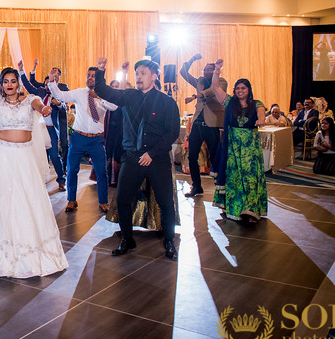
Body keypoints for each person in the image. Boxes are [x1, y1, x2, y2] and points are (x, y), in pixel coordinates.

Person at [0, 49, 68, 278]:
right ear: (1, 84)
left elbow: (40, 106)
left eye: (13, 81)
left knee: (26, 200)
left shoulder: (30, 100)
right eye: (5, 81)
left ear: (19, 83)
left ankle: (29, 251)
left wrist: (45, 109)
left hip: (24, 157)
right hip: (2, 156)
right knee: (1, 201)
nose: (9, 84)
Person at [94, 58, 180, 259]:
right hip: (132, 157)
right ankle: (127, 238)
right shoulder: (129, 96)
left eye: (143, 73)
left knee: (166, 202)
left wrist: (152, 153)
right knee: (123, 199)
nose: (139, 77)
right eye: (137, 73)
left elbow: (172, 132)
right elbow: (103, 90)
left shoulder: (167, 102)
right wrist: (101, 70)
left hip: (156, 158)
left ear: (154, 76)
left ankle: (169, 241)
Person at [48, 66, 118, 213]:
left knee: (101, 172)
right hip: (78, 138)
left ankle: (103, 202)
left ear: (98, 78)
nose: (90, 78)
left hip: (96, 141)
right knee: (72, 170)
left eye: (93, 76)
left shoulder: (105, 95)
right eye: (88, 75)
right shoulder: (80, 92)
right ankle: (71, 200)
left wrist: (99, 97)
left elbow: (114, 107)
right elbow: (60, 95)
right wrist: (52, 81)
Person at [209, 60, 267, 224]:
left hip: (250, 150)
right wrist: (217, 70)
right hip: (233, 148)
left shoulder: (256, 103)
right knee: (234, 178)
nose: (240, 90)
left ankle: (250, 211)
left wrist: (261, 120)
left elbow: (261, 112)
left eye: (243, 88)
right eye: (238, 88)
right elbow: (215, 87)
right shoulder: (229, 102)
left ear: (249, 90)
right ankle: (234, 208)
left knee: (250, 179)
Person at [180, 54, 225, 197]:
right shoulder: (199, 81)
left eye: (210, 70)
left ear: (215, 71)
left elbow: (212, 91)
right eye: (205, 70)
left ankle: (220, 185)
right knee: (192, 157)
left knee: (215, 157)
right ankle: (196, 186)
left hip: (212, 124)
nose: (207, 72)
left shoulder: (222, 82)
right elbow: (183, 72)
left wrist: (195, 96)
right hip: (198, 124)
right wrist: (192, 59)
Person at [18, 61, 65, 191]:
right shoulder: (39, 91)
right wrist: (21, 70)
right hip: (38, 131)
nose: (47, 86)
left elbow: (64, 109)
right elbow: (27, 85)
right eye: (45, 84)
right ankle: (38, 180)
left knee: (55, 156)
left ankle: (61, 180)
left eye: (49, 84)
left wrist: (59, 104)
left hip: (51, 131)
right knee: (38, 155)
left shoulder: (58, 95)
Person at [30, 59, 69, 174]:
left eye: (56, 72)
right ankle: (44, 171)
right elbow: (31, 82)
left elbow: (66, 102)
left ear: (59, 77)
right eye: (52, 72)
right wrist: (34, 67)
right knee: (40, 152)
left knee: (63, 146)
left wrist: (61, 104)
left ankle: (63, 170)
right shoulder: (42, 89)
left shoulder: (63, 87)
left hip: (59, 120)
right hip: (41, 126)